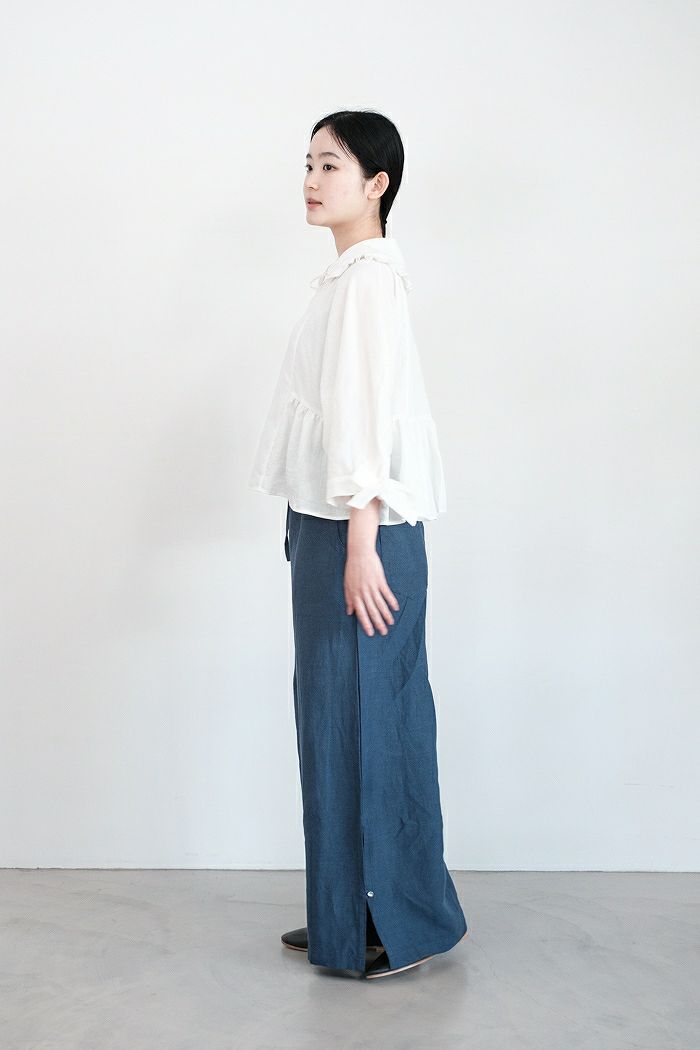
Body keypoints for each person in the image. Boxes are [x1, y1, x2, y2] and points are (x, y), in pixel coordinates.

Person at [248, 109, 468, 979]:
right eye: (307, 163)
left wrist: (362, 543)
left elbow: (367, 419)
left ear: (377, 184)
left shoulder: (371, 278)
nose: (311, 180)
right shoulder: (345, 279)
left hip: (361, 533)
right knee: (334, 721)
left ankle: (395, 926)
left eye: (331, 165)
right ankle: (345, 913)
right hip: (332, 526)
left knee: (374, 722)